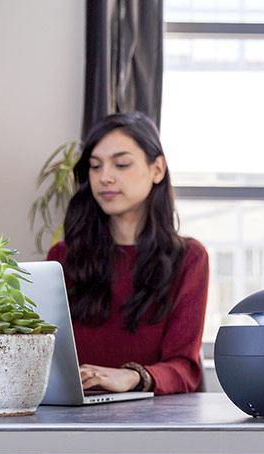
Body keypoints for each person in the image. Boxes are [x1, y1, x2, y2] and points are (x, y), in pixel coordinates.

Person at [47, 112, 209, 395]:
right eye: (95, 167)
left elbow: (185, 369)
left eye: (121, 164)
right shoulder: (62, 257)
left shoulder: (189, 258)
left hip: (150, 420)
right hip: (72, 418)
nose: (104, 177)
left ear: (157, 169)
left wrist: (133, 376)